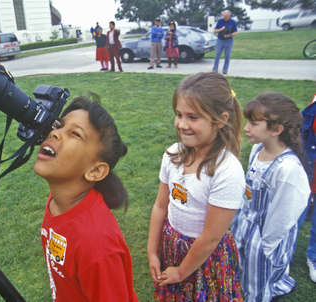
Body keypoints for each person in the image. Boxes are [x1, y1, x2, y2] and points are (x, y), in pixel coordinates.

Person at [147, 72, 245, 301]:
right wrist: (153, 251)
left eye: (193, 117)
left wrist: (182, 271)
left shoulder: (227, 171)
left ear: (220, 120)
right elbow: (160, 207)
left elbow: (210, 237)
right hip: (171, 244)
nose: (182, 124)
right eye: (179, 114)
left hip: (205, 257)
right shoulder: (173, 154)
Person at [34, 97, 138, 302]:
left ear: (96, 171)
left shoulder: (97, 245)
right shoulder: (58, 201)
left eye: (75, 133)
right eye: (59, 125)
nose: (54, 132)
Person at [231, 93, 310, 301]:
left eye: (254, 123)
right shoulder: (257, 149)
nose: (246, 128)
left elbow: (284, 216)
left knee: (258, 279)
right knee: (241, 269)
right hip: (245, 223)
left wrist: (265, 246)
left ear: (276, 130)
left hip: (266, 237)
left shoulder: (288, 170)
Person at [300, 93, 316, 283]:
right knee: (295, 218)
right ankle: (283, 257)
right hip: (307, 169)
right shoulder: (313, 105)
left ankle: (313, 256)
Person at [212, 10, 237, 75]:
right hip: (220, 40)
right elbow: (215, 31)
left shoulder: (233, 22)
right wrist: (221, 29)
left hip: (229, 41)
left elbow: (235, 32)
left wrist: (229, 35)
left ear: (229, 16)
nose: (224, 17)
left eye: (226, 16)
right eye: (224, 15)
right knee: (217, 54)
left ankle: (225, 70)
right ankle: (215, 69)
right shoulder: (220, 21)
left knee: (227, 56)